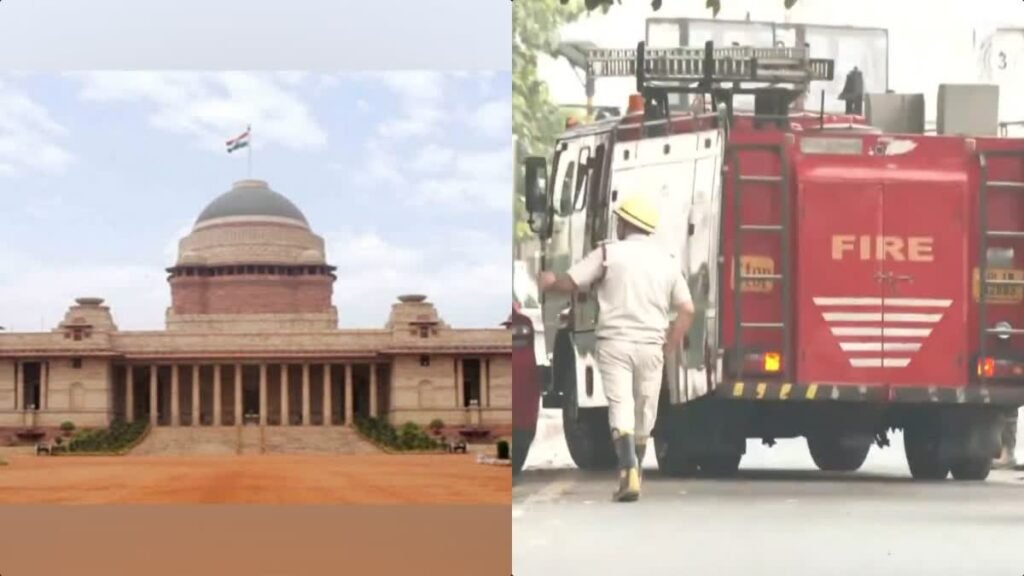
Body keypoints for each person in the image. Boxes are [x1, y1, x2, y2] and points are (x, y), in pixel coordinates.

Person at [538, 194, 695, 502]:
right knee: (645, 407)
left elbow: (571, 282)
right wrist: (671, 343)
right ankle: (637, 468)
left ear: (624, 224)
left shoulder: (608, 253)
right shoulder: (667, 261)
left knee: (620, 403)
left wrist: (550, 282)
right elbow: (687, 309)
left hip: (615, 343)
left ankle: (627, 470)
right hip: (651, 344)